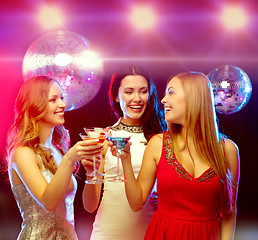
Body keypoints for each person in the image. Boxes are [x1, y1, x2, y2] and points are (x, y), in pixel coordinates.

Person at [112, 72, 240, 240]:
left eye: (171, 92)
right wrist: (125, 160)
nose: (163, 100)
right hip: (164, 234)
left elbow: (229, 211)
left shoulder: (228, 149)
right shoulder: (158, 144)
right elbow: (136, 203)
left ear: (194, 98)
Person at [5, 76, 103, 239]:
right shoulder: (23, 153)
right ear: (35, 105)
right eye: (53, 99)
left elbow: (90, 207)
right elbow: (49, 202)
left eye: (62, 98)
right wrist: (69, 160)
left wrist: (93, 173)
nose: (63, 105)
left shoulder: (59, 150)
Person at [82, 65, 167, 239]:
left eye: (143, 91)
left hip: (151, 231)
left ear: (150, 95)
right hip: (108, 232)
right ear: (115, 95)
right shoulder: (104, 138)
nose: (137, 98)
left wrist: (167, 200)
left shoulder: (162, 139)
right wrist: (91, 174)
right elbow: (89, 206)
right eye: (129, 92)